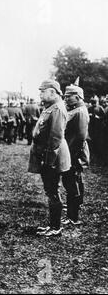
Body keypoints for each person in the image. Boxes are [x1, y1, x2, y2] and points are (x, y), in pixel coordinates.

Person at [28, 80, 71, 237]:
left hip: (53, 157)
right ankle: (53, 225)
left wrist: (49, 162)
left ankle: (55, 227)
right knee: (51, 190)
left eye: (43, 91)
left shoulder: (57, 109)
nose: (40, 94)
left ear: (52, 92)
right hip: (48, 155)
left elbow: (55, 138)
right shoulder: (51, 107)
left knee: (52, 191)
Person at [61, 84, 90, 226]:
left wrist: (73, 156)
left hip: (74, 153)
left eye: (68, 96)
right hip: (71, 152)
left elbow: (80, 137)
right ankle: (72, 213)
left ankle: (73, 216)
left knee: (72, 182)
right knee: (70, 182)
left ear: (77, 97)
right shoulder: (76, 110)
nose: (65, 98)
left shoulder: (80, 112)